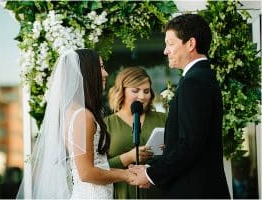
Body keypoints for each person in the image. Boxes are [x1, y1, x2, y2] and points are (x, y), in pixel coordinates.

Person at [129, 14, 230, 198]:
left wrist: (151, 175)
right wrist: (153, 168)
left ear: (190, 44)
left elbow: (190, 145)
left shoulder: (194, 82)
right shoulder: (200, 77)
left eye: (170, 43)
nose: (165, 51)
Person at [17, 49, 135, 199]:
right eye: (100, 67)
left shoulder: (73, 112)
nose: (105, 73)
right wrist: (126, 175)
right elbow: (86, 173)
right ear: (86, 73)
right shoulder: (82, 116)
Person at [105, 67, 167, 199]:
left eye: (146, 91)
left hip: (159, 192)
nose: (142, 96)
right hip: (122, 194)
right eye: (135, 91)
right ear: (121, 91)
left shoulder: (163, 119)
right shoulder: (106, 125)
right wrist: (128, 157)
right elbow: (96, 169)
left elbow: (180, 155)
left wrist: (169, 150)